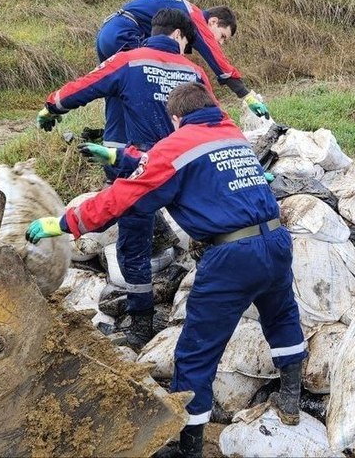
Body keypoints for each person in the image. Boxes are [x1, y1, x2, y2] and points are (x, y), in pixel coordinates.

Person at [26, 82, 307, 458]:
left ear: (175, 119)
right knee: (282, 315)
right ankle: (291, 399)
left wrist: (66, 222)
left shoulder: (178, 143)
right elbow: (169, 163)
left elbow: (132, 189)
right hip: (275, 240)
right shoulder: (231, 135)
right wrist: (121, 158)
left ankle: (188, 446)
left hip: (232, 257)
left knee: (196, 352)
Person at [36, 8, 212, 349]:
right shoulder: (194, 71)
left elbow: (84, 87)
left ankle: (141, 324)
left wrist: (51, 107)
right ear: (179, 35)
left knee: (134, 247)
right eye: (188, 41)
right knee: (209, 230)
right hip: (187, 166)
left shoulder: (129, 60)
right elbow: (212, 119)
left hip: (140, 171)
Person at [96, 0, 269, 153]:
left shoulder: (182, 10)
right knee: (154, 84)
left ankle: (113, 155)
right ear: (213, 21)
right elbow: (215, 57)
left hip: (108, 33)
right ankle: (154, 152)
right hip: (126, 34)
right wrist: (245, 94)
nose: (221, 43)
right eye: (223, 36)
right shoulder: (195, 16)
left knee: (118, 93)